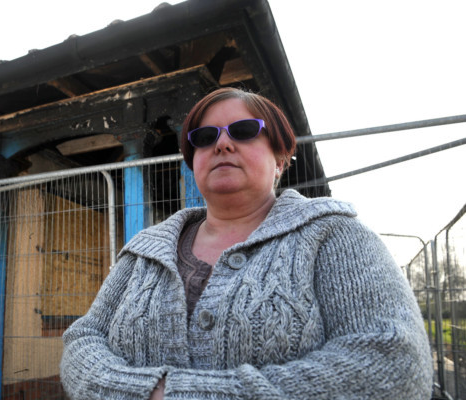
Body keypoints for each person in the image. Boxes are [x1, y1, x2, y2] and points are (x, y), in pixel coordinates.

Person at [60, 87, 433, 399]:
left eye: (242, 130)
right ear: (194, 162)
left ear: (281, 157)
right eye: (205, 138)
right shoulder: (146, 248)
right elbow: (83, 339)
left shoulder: (333, 234)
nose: (222, 144)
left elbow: (396, 364)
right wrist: (141, 390)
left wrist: (177, 394)